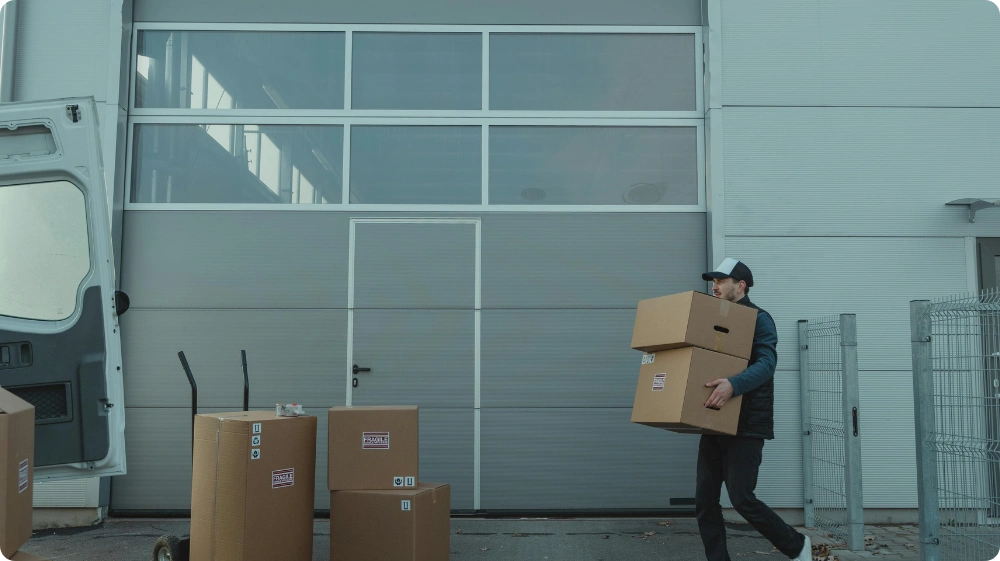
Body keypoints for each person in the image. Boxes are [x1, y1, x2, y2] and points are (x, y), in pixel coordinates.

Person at [697, 258, 811, 561]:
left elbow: (766, 363)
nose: (715, 286)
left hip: (746, 423)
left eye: (721, 281)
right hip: (715, 418)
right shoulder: (714, 318)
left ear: (741, 285)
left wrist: (733, 385)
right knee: (705, 500)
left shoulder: (759, 319)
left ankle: (798, 545)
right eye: (713, 281)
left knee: (742, 499)